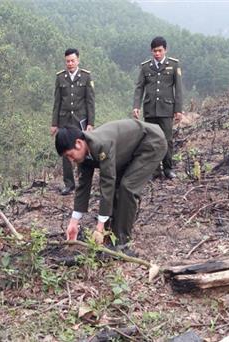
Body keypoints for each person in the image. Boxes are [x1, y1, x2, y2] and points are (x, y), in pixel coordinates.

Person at [55, 119, 167, 254]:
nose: (70, 160)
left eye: (69, 155)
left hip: (152, 143)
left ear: (78, 143)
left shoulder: (102, 145)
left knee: (127, 188)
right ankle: (110, 235)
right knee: (117, 188)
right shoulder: (85, 152)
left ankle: (122, 243)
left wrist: (99, 227)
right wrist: (74, 222)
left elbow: (107, 182)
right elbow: (83, 186)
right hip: (129, 151)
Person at [133, 36, 183, 179]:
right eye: (155, 51)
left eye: (160, 51)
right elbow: (139, 88)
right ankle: (154, 171)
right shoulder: (145, 67)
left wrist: (178, 109)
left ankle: (168, 169)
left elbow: (178, 89)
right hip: (150, 109)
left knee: (167, 139)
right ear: (151, 51)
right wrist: (136, 106)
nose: (157, 54)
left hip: (166, 109)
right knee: (150, 141)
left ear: (165, 50)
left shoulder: (173, 65)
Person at [51, 48, 95, 195]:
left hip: (80, 120)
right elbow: (57, 102)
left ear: (78, 60)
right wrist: (54, 123)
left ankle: (83, 180)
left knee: (82, 149)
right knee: (66, 151)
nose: (70, 63)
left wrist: (90, 123)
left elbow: (90, 102)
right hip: (64, 120)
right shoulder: (60, 78)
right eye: (67, 61)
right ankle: (69, 184)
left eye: (72, 61)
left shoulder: (86, 77)